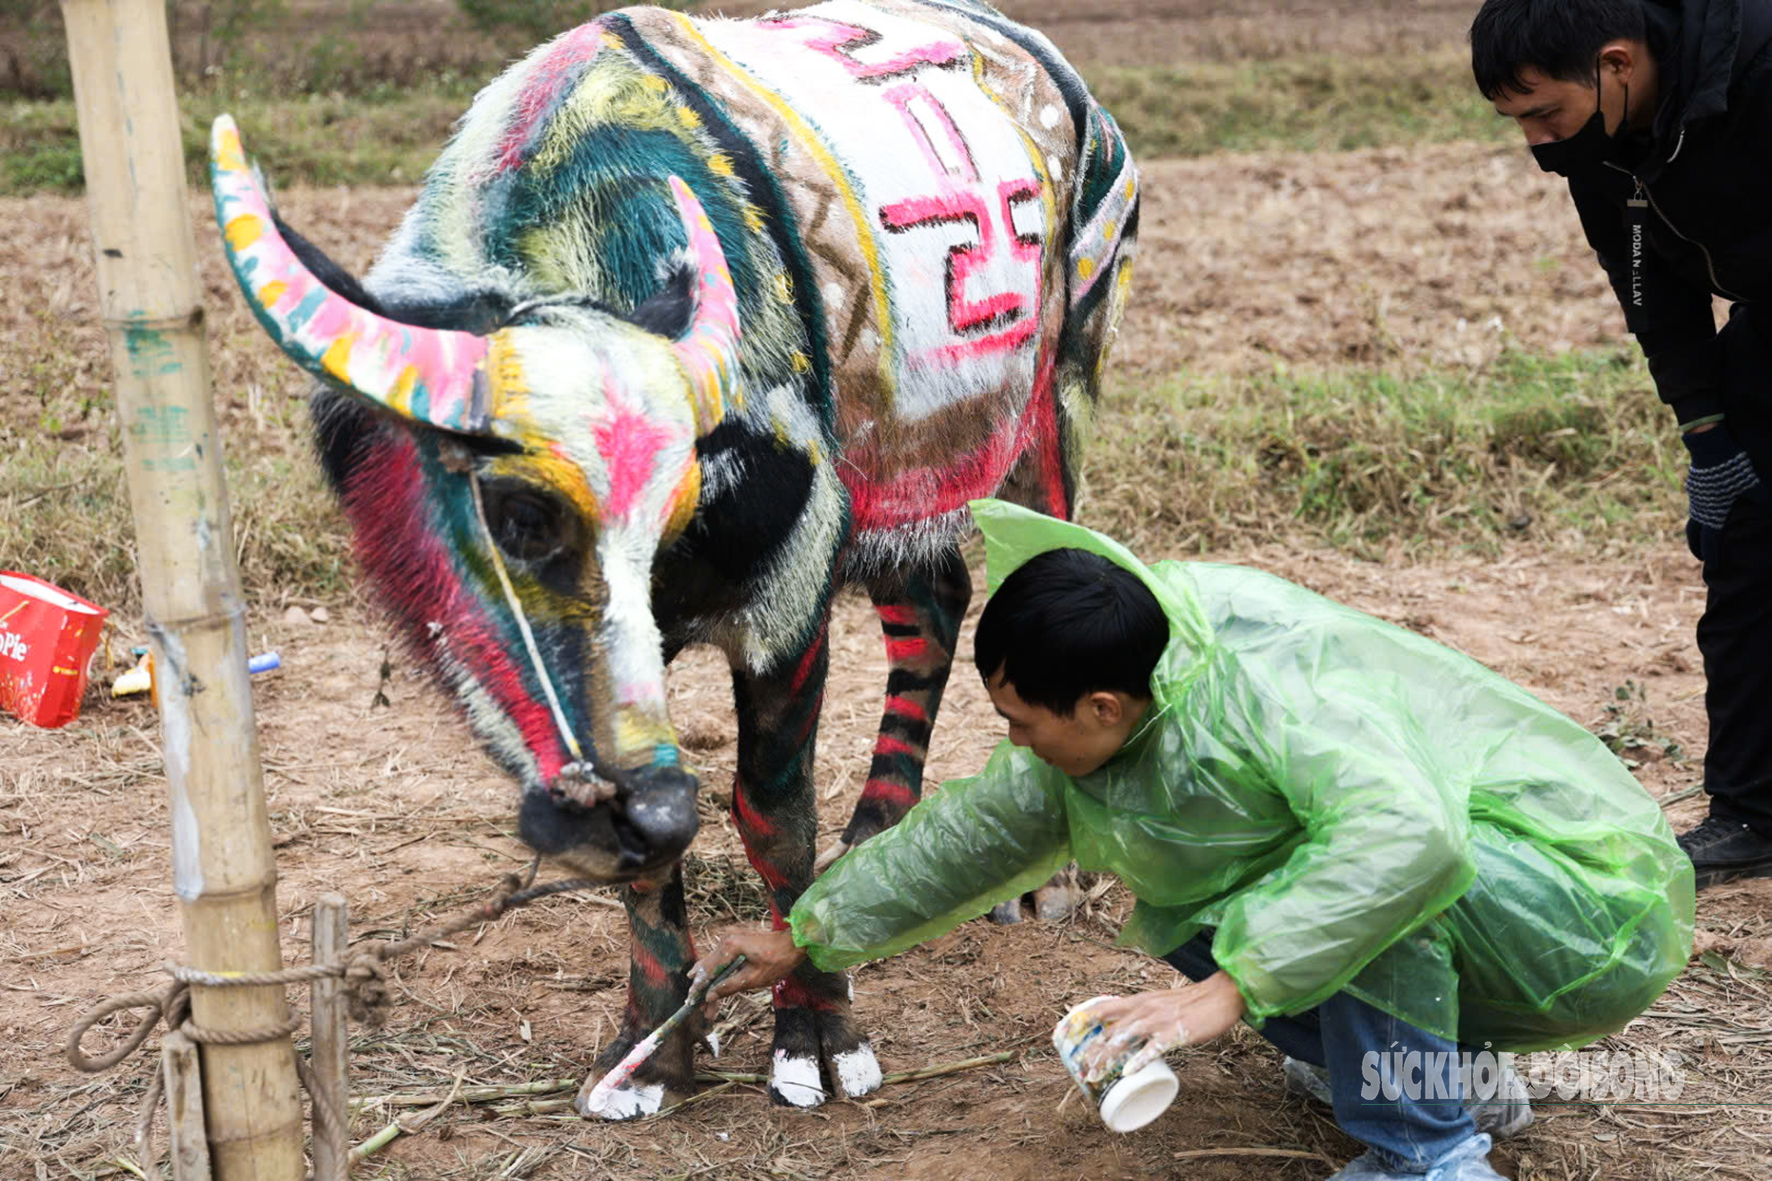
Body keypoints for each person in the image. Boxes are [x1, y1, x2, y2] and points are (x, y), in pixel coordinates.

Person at [693, 500, 1693, 1181]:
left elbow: (1409, 840)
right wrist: (806, 931)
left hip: (1571, 907)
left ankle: (1425, 1155)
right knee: (1203, 897)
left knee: (1334, 894)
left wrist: (1229, 987)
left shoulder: (1261, 696)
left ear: (1096, 703)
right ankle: (1449, 1076)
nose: (1014, 743)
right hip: (1480, 886)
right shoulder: (1126, 683)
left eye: (1023, 722)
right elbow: (973, 832)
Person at [1469, 0, 1772, 887]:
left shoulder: (1758, 72)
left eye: (1541, 112)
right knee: (1743, 542)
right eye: (1515, 120)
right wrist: (1707, 435)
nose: (1535, 142)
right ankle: (1752, 810)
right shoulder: (1597, 141)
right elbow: (1650, 292)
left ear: (1616, 64)